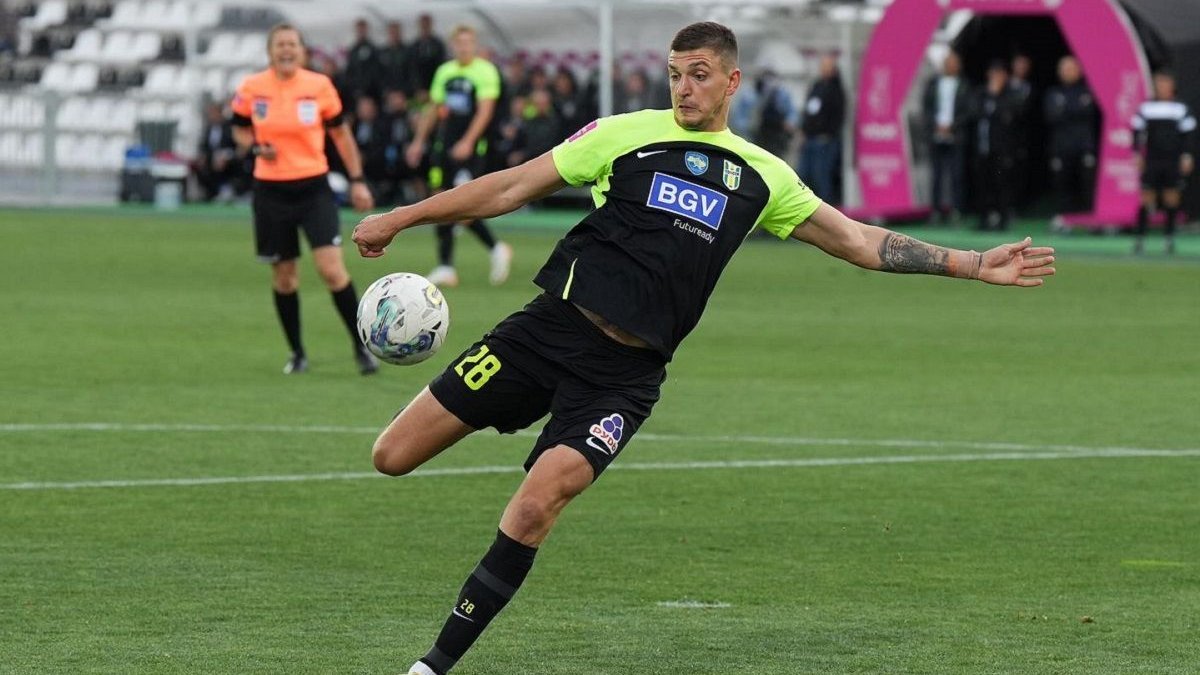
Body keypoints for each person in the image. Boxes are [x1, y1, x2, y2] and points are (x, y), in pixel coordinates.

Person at [352, 21, 1056, 675]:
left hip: (623, 378)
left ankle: (430, 666)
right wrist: (402, 217)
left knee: (539, 504)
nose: (683, 88)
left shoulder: (763, 174)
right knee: (392, 455)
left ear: (731, 81)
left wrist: (970, 263)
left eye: (697, 75)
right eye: (674, 75)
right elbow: (510, 187)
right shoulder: (623, 134)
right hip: (547, 332)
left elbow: (859, 241)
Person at [230, 24, 378, 375]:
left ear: (302, 51)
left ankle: (362, 348)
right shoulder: (252, 87)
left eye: (292, 44)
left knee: (332, 270)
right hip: (270, 192)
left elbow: (341, 135)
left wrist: (357, 180)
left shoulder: (319, 86)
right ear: (270, 51)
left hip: (314, 189)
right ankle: (297, 353)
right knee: (285, 278)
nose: (286, 49)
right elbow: (239, 128)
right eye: (280, 44)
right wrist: (255, 147)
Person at [404, 25, 512, 288]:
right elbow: (433, 109)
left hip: (472, 149)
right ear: (453, 45)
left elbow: (485, 111)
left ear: (474, 45)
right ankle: (446, 266)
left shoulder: (485, 71)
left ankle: (496, 247)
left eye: (468, 42)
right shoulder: (445, 71)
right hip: (445, 145)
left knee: (464, 206)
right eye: (459, 43)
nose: (464, 47)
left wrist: (468, 141)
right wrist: (418, 141)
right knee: (438, 200)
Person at [1132, 71, 1195, 255]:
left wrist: (1187, 156)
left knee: (1171, 198)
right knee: (1147, 198)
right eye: (1159, 84)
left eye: (1165, 83)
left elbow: (1189, 135)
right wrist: (1137, 154)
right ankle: (1140, 239)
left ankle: (1169, 239)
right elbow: (1136, 132)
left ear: (1171, 86)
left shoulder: (1180, 108)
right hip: (1152, 160)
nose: (1162, 87)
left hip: (1172, 160)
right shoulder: (1146, 108)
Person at [969, 60, 1022, 231]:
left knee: (1002, 184)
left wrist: (995, 96)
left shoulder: (1010, 94)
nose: (996, 78)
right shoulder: (980, 93)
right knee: (983, 184)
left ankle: (1003, 218)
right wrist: (990, 95)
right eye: (993, 74)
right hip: (982, 147)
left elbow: (1008, 117)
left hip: (1001, 149)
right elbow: (974, 113)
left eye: (999, 74)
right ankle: (984, 218)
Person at [1044, 55, 1098, 215]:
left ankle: (1089, 217)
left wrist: (1065, 108)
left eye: (1071, 68)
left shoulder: (1089, 91)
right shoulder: (1053, 92)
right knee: (1062, 183)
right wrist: (1077, 108)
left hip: (1085, 145)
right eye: (1064, 69)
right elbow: (1052, 116)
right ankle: (1065, 217)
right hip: (1061, 146)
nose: (1067, 72)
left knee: (1087, 182)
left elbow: (1090, 114)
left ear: (1079, 71)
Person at [922, 51, 969, 224]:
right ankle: (936, 210)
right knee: (937, 175)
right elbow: (927, 107)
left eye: (954, 63)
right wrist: (935, 125)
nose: (950, 66)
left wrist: (952, 126)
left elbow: (968, 110)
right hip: (936, 134)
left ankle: (956, 210)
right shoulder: (933, 83)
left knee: (956, 174)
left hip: (955, 135)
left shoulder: (964, 85)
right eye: (948, 62)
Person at [798, 53, 846, 205]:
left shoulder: (836, 89)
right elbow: (808, 110)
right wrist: (804, 130)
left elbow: (838, 115)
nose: (823, 69)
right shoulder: (817, 86)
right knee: (804, 174)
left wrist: (829, 134)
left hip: (825, 141)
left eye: (826, 66)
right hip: (810, 139)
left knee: (822, 177)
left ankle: (826, 210)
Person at [408, 13, 446, 104]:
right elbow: (412, 68)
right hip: (419, 90)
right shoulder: (414, 46)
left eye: (427, 24)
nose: (425, 27)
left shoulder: (438, 44)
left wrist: (435, 88)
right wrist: (418, 88)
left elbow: (441, 66)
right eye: (423, 24)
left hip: (436, 87)